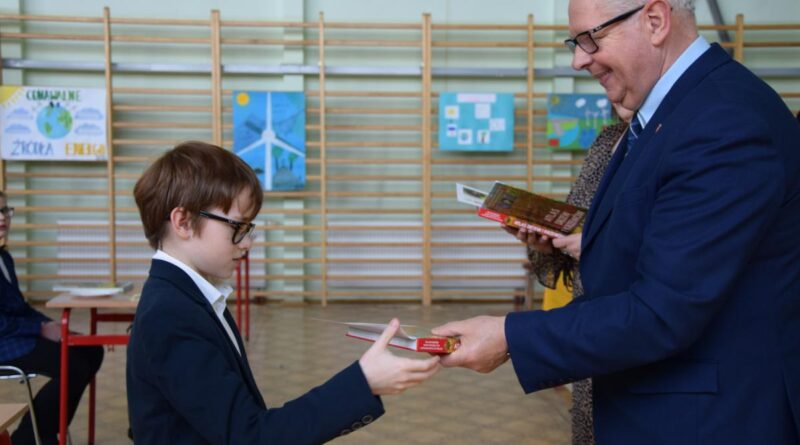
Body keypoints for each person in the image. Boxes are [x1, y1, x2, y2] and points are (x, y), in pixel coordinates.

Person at [433, 0, 800, 443]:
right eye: (574, 42)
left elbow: (661, 312)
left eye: (591, 38)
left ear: (655, 21)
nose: (578, 59)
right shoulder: (672, 113)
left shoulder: (722, 122)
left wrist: (510, 336)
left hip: (709, 421)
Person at [126, 141, 441, 444]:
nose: (247, 242)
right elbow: (250, 436)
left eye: (249, 229)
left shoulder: (184, 296)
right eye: (237, 226)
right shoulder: (170, 314)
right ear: (183, 222)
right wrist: (364, 381)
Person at [521, 104, 630, 445]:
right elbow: (575, 220)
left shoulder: (675, 138)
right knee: (589, 421)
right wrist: (545, 242)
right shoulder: (608, 140)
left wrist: (599, 244)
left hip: (637, 316)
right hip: (590, 315)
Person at [0, 191, 104, 445]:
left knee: (91, 351)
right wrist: (40, 330)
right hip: (6, 342)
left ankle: (43, 432)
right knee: (72, 365)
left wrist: (49, 325)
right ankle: (30, 437)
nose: (2, 217)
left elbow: (20, 308)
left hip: (16, 334)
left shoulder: (4, 257)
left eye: (4, 211)